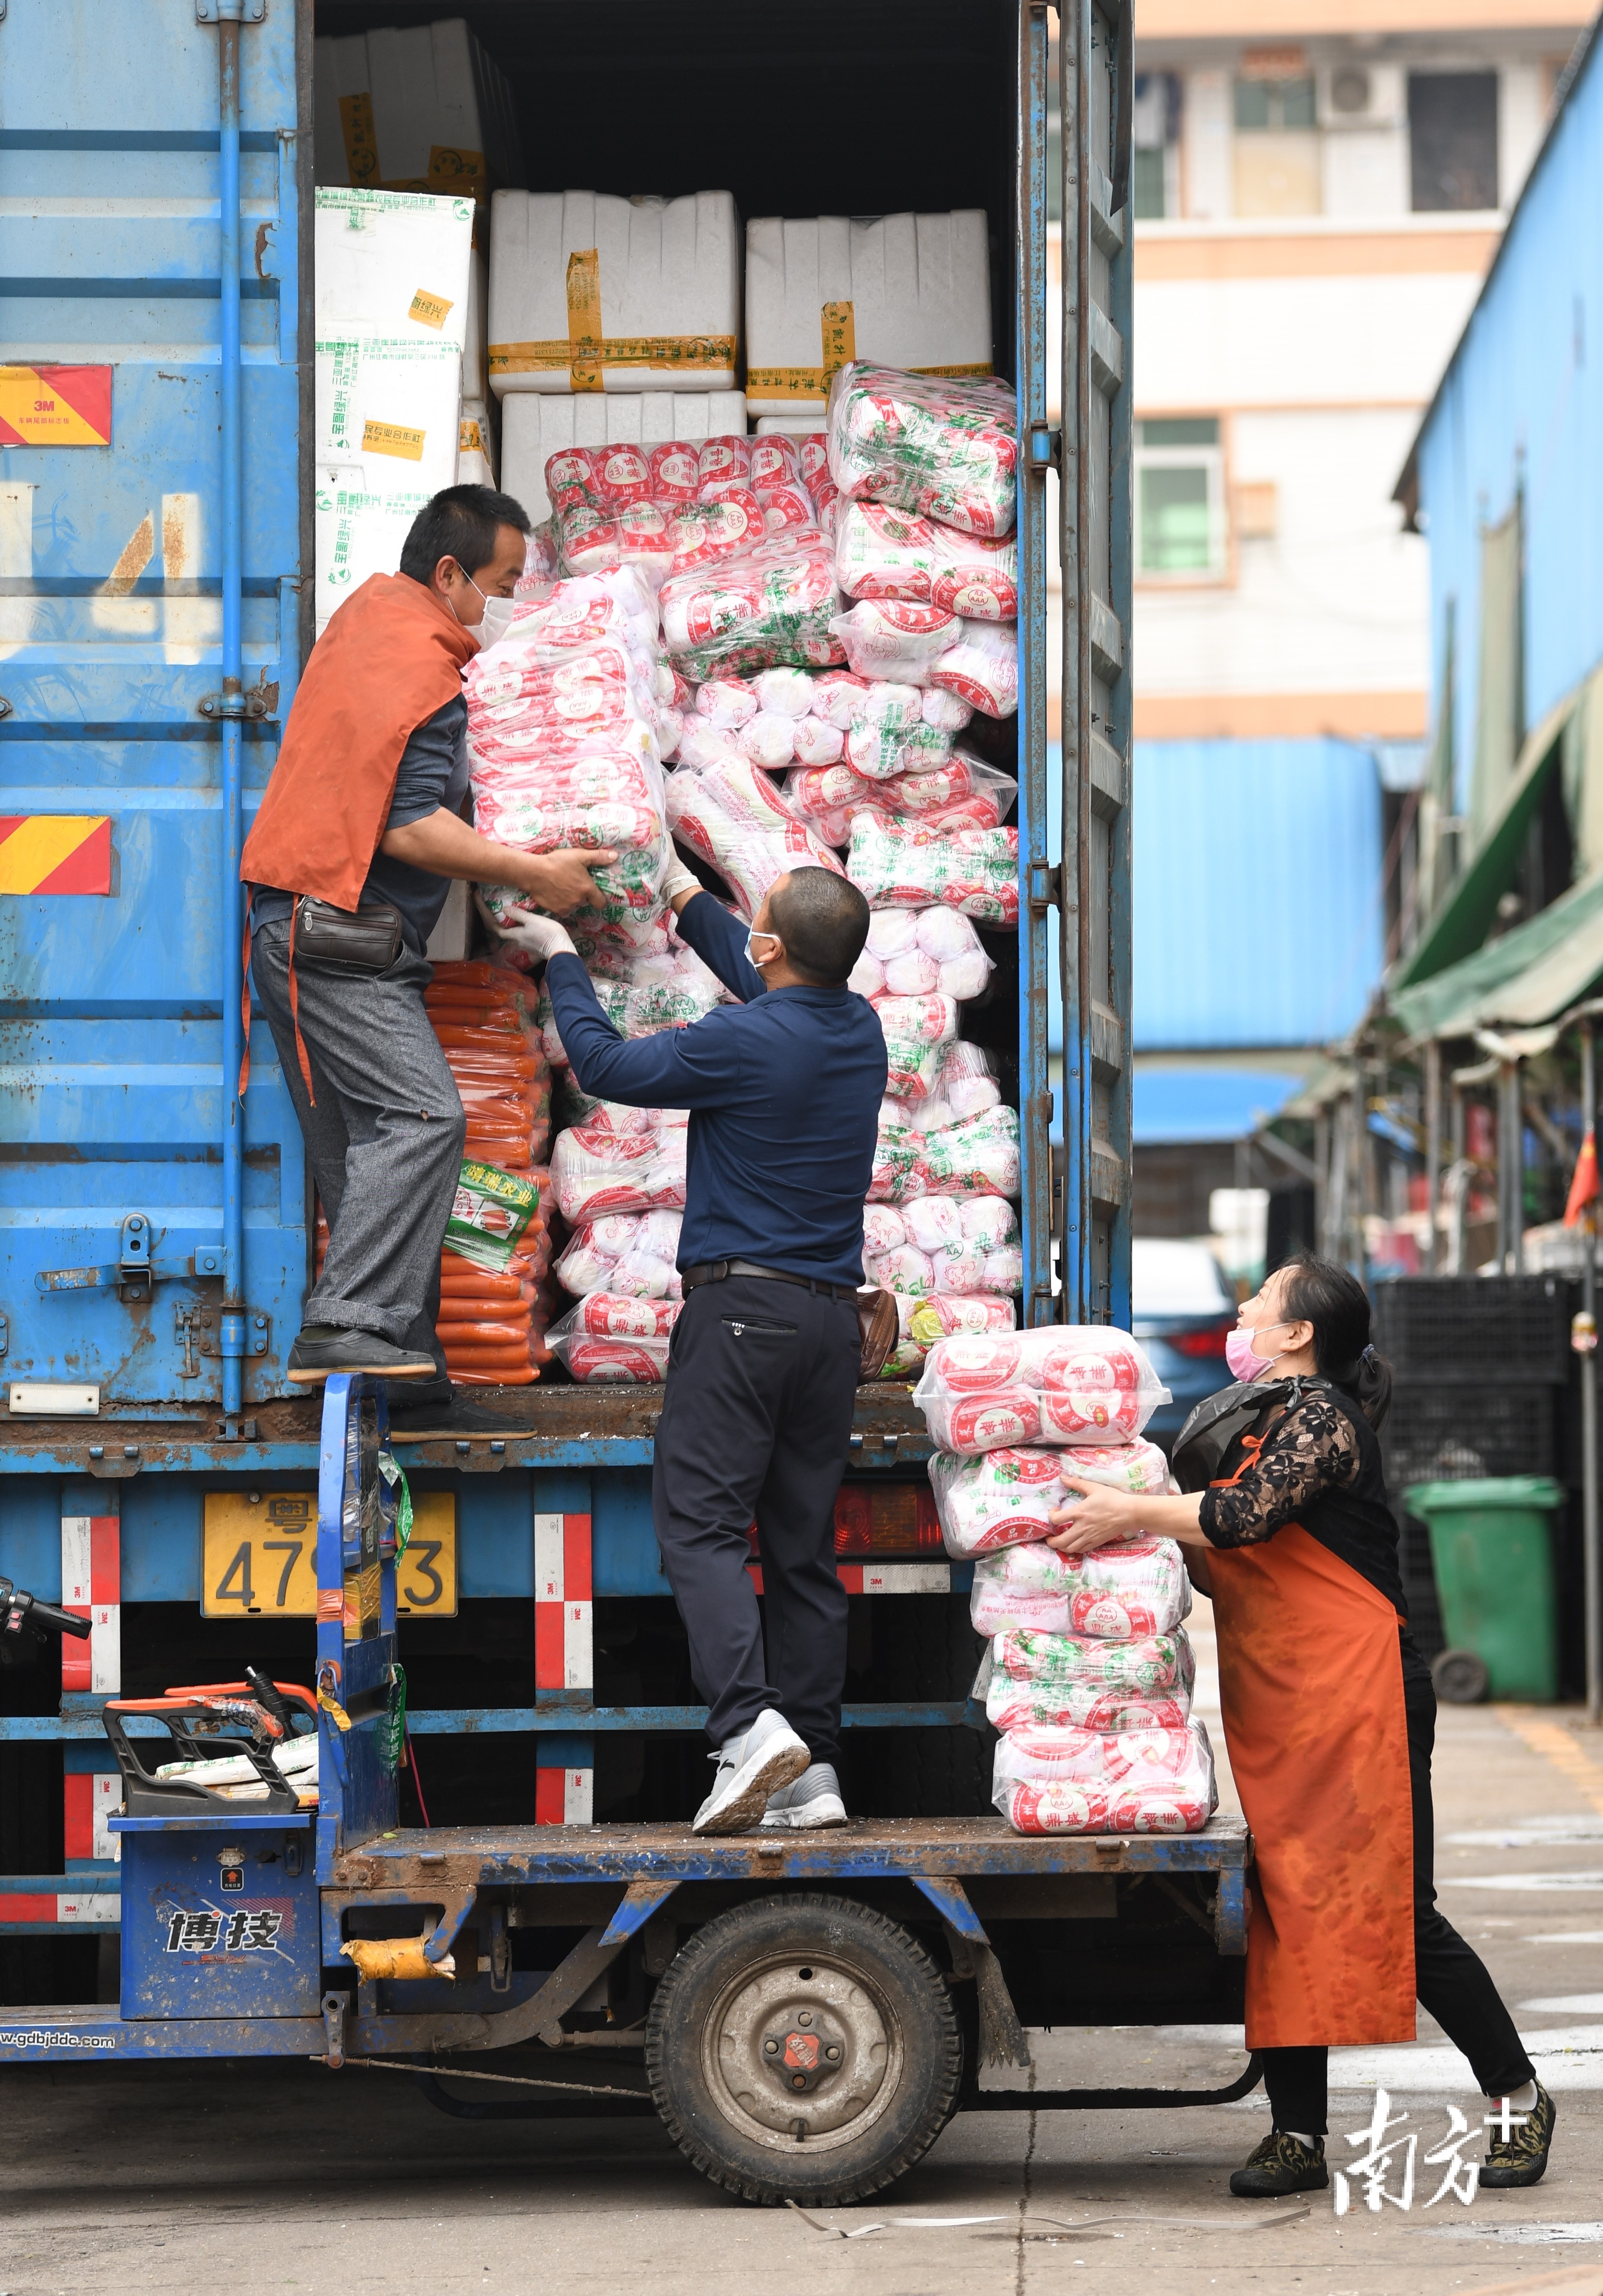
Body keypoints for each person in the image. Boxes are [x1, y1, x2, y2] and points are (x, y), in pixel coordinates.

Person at [1042, 1254, 1554, 2198]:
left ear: (1296, 1334)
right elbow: (1221, 1557)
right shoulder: (1255, 1419)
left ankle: (1517, 2094)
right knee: (1285, 1903)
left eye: (1261, 1300)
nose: (1243, 1310)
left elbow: (1241, 1517)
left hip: (1361, 1691)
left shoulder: (1323, 1417)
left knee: (1396, 1909)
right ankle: (1296, 2134)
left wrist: (1130, 1510)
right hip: (1280, 1695)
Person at [501, 867, 886, 1834]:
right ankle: (815, 1770)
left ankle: (747, 1728)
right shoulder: (859, 1029)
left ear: (771, 949)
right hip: (830, 1326)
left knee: (700, 1528)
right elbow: (771, 978)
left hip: (743, 1316)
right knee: (800, 1549)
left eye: (757, 925)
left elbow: (603, 1065)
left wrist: (560, 957)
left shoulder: (740, 1040)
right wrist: (679, 893)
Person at [240, 484, 615, 1426]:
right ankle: (347, 1323)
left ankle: (401, 1364)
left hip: (296, 928)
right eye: (502, 584)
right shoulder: (423, 669)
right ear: (449, 574)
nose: (505, 605)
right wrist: (534, 869)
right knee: (422, 1118)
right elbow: (408, 824)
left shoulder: (370, 625)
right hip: (336, 934)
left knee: (360, 1159)